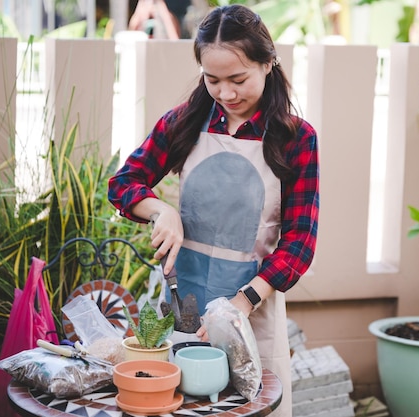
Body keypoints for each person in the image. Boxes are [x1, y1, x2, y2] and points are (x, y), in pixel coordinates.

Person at [108, 5, 319, 416]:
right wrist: (159, 211)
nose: (225, 93)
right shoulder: (185, 123)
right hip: (179, 304)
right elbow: (123, 184)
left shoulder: (296, 138)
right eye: (213, 80)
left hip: (252, 308)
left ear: (268, 63)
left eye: (239, 79)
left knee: (247, 404)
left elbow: (300, 243)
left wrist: (240, 305)